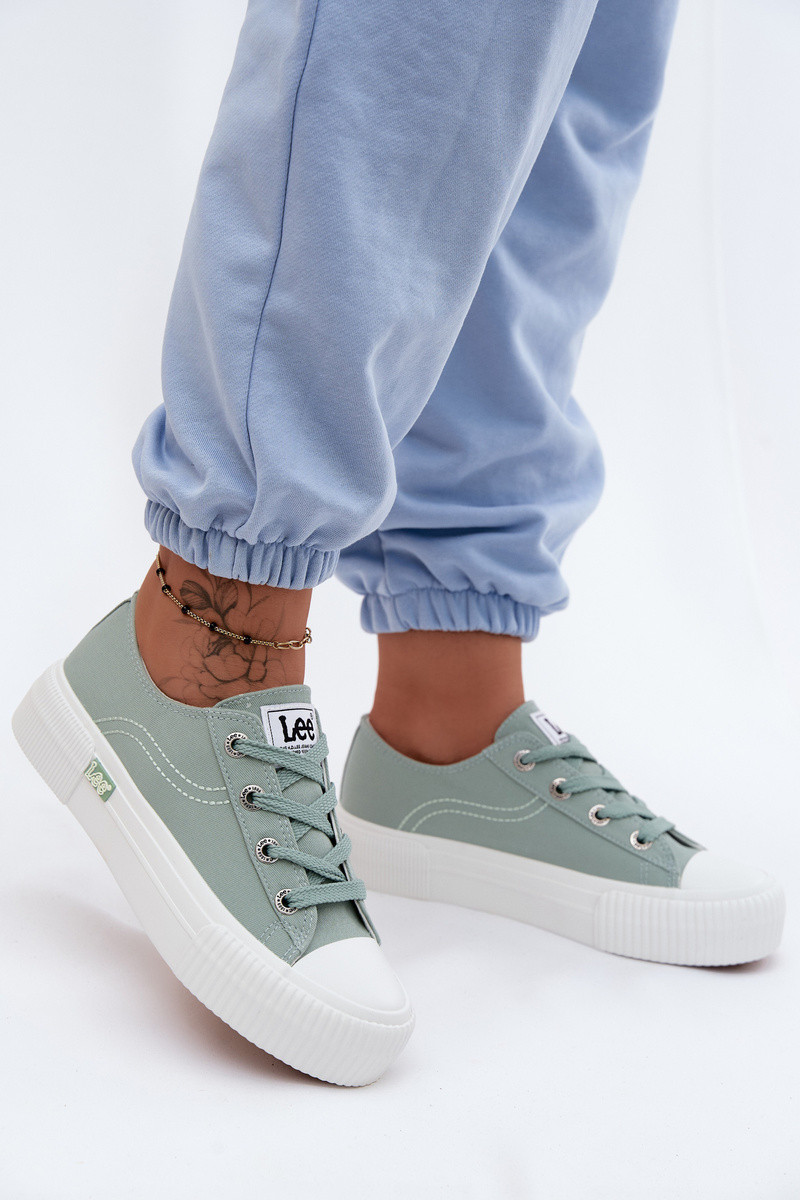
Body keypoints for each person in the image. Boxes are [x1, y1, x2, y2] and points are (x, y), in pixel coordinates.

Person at [12, 0, 785, 1087]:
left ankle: (448, 721)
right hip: (213, 611)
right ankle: (197, 643)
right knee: (422, 38)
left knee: (564, 98)